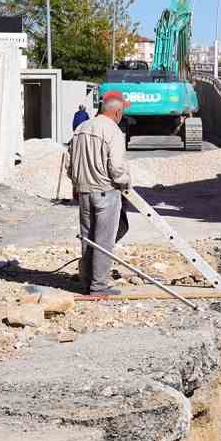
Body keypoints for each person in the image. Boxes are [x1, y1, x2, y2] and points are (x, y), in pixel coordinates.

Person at [66, 91, 132, 296]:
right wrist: (125, 183)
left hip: (84, 191)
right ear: (117, 112)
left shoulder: (81, 128)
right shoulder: (113, 131)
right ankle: (99, 287)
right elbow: (117, 167)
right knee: (103, 241)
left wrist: (77, 184)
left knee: (88, 239)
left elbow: (68, 164)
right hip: (106, 192)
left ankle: (87, 283)